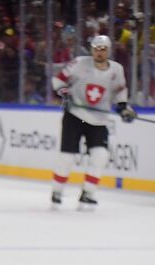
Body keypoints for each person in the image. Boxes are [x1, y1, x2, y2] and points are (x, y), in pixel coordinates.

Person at [50, 34, 135, 209]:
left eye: (103, 49)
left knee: (101, 156)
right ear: (92, 50)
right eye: (97, 49)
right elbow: (57, 79)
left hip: (98, 120)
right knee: (67, 158)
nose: (100, 53)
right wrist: (63, 92)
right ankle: (57, 191)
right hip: (75, 115)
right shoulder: (79, 62)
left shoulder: (117, 70)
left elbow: (120, 91)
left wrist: (124, 108)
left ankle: (88, 193)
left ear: (108, 50)